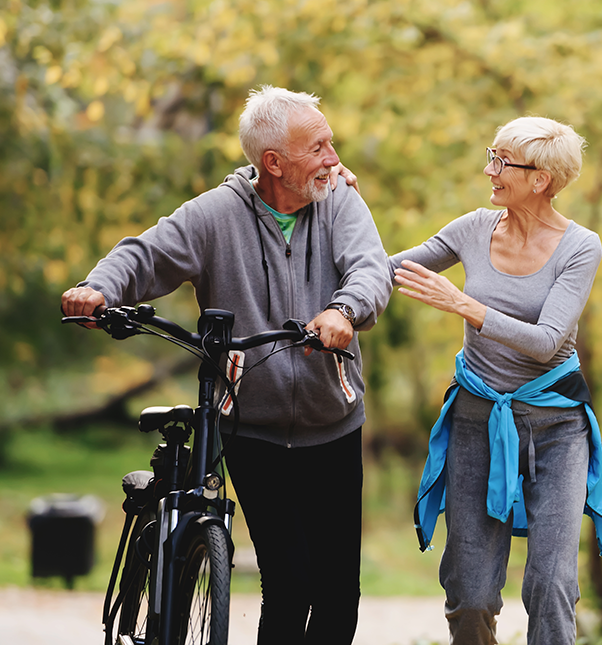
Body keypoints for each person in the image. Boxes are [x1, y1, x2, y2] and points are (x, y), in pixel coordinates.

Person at [61, 85, 392, 644]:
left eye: (330, 143)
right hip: (252, 429)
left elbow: (370, 269)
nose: (334, 158)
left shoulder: (338, 198)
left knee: (339, 596)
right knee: (290, 583)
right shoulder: (216, 215)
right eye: (318, 147)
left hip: (332, 424)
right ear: (274, 163)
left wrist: (344, 309)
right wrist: (98, 288)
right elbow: (147, 254)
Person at [390, 116, 602, 645]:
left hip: (557, 428)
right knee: (469, 593)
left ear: (540, 179)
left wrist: (463, 305)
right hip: (477, 421)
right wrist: (339, 206)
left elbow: (546, 339)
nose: (488, 170)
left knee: (551, 584)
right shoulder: (473, 227)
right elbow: (388, 270)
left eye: (501, 162)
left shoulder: (580, 247)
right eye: (490, 155)